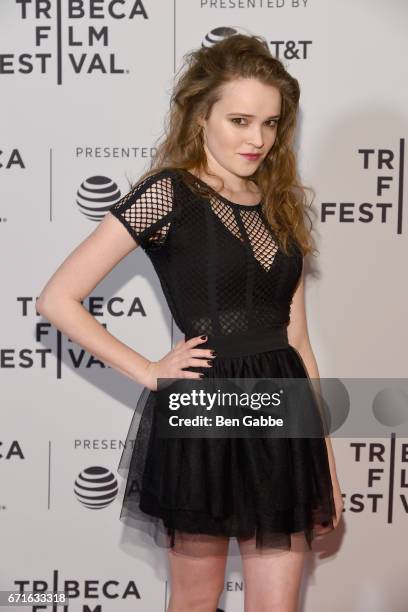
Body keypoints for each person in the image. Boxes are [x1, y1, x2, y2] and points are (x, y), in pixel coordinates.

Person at [37, 33, 344, 612]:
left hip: (282, 413)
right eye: (240, 120)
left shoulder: (278, 202)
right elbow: (58, 298)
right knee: (195, 604)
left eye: (272, 124)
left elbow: (297, 338)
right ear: (201, 116)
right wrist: (151, 370)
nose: (257, 139)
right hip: (203, 413)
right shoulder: (169, 193)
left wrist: (322, 455)